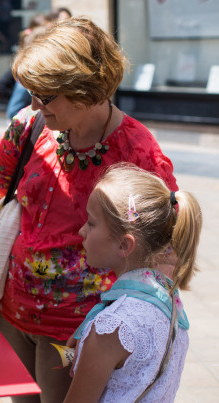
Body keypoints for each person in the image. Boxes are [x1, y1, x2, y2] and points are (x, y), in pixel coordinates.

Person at [0, 16, 177, 402]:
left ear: (84, 90)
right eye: (32, 92)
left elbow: (165, 248)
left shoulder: (138, 152)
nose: (34, 103)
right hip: (13, 314)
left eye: (45, 94)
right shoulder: (31, 125)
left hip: (81, 331)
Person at [65, 163, 200, 401]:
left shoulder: (113, 327)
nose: (82, 231)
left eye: (92, 222)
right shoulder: (170, 305)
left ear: (124, 245)